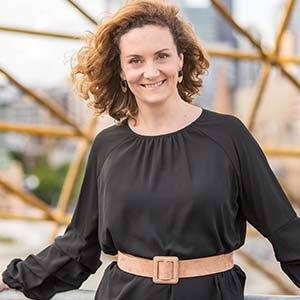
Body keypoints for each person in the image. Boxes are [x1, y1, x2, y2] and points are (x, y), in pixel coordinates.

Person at [1, 0, 300, 299]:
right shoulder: (108, 146)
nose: (151, 71)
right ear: (120, 70)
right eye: (135, 61)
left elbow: (285, 230)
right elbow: (80, 243)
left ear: (180, 59)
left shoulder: (228, 136)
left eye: (162, 56)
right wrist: (11, 279)